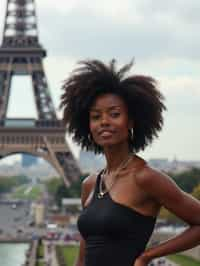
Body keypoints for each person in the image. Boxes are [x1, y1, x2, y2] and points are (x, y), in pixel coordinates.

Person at [60, 59, 200, 266]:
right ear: (87, 125)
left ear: (132, 121)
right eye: (96, 116)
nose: (104, 121)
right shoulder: (89, 184)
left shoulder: (145, 178)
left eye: (114, 114)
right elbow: (85, 251)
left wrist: (148, 256)